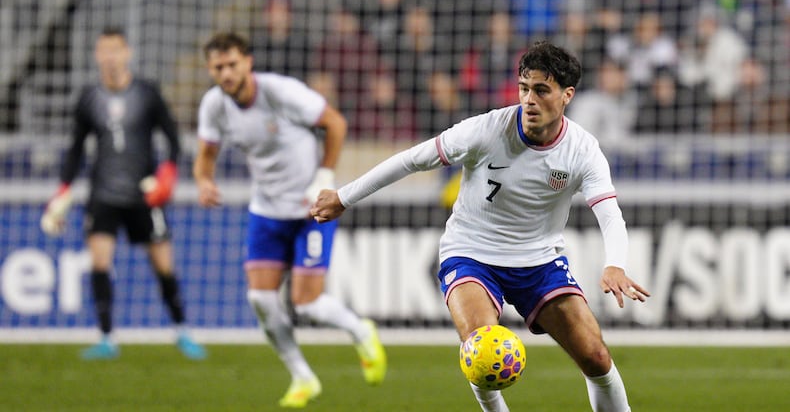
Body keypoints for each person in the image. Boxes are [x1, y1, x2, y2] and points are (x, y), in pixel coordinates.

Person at [311, 41, 650, 412]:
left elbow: (610, 212)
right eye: (524, 88)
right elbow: (412, 160)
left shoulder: (583, 150)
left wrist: (615, 263)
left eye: (541, 90)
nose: (529, 100)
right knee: (482, 349)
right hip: (471, 252)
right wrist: (344, 197)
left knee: (597, 357)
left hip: (538, 260)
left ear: (567, 95)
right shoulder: (487, 130)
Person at [193, 32, 386, 409]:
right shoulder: (214, 106)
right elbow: (205, 154)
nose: (227, 73)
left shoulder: (280, 92)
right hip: (266, 210)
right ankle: (302, 376)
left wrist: (324, 177)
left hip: (311, 208)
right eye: (218, 67)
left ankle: (360, 329)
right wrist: (203, 181)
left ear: (248, 62)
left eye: (232, 64)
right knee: (260, 299)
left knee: (307, 304)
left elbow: (335, 123)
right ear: (210, 71)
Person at [39, 27, 206, 361]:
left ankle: (182, 330)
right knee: (100, 263)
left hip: (145, 194)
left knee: (163, 265)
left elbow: (173, 138)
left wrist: (168, 173)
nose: (110, 56)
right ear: (97, 55)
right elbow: (75, 148)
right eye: (104, 50)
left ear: (127, 52)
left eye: (116, 49)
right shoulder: (89, 98)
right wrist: (63, 189)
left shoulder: (146, 93)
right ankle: (106, 337)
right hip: (103, 193)